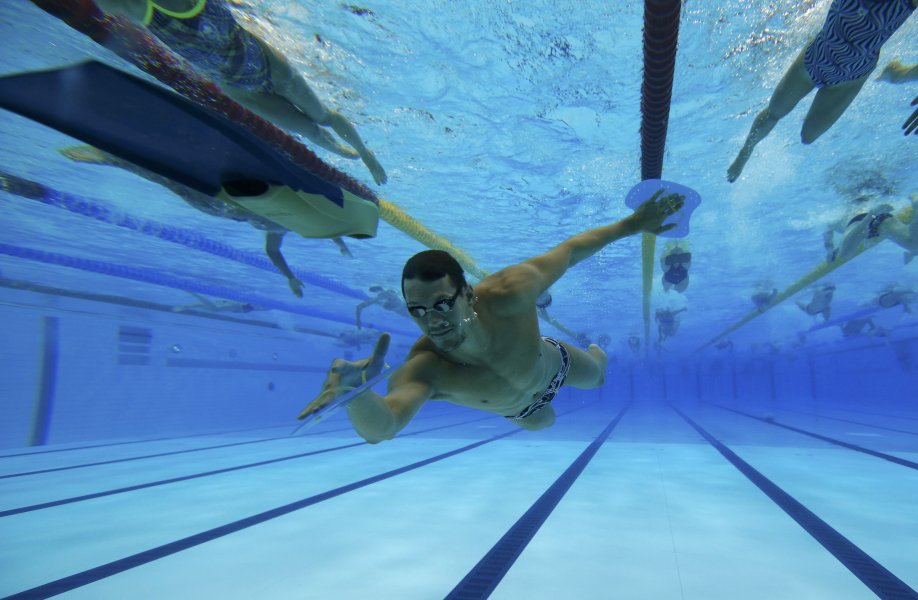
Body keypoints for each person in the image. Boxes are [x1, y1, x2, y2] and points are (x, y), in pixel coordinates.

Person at [296, 189, 685, 440]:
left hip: (553, 364)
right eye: (418, 311)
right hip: (521, 409)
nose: (433, 321)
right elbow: (385, 425)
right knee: (544, 423)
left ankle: (597, 348)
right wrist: (354, 396)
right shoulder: (425, 368)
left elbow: (568, 251)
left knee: (598, 376)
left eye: (442, 303)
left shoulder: (510, 293)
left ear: (467, 293)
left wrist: (632, 224)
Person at [92, 0, 387, 185]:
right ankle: (339, 150)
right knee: (309, 131)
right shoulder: (135, 6)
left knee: (322, 116)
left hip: (270, 65)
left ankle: (365, 154)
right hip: (242, 90)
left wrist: (367, 156)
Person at [61, 145, 353, 297]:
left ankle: (110, 158)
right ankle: (115, 157)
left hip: (220, 206)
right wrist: (338, 243)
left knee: (169, 180)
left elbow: (275, 250)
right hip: (227, 201)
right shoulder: (292, 219)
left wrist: (290, 276)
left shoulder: (281, 227)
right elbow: (325, 228)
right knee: (172, 178)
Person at [727, 0, 916, 182]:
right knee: (775, 112)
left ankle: (896, 73)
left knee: (808, 137)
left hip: (851, 78)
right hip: (814, 59)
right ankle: (745, 152)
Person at [836, 194, 917, 263]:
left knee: (845, 254)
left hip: (860, 219)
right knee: (914, 245)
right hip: (877, 217)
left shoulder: (837, 220)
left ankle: (871, 214)